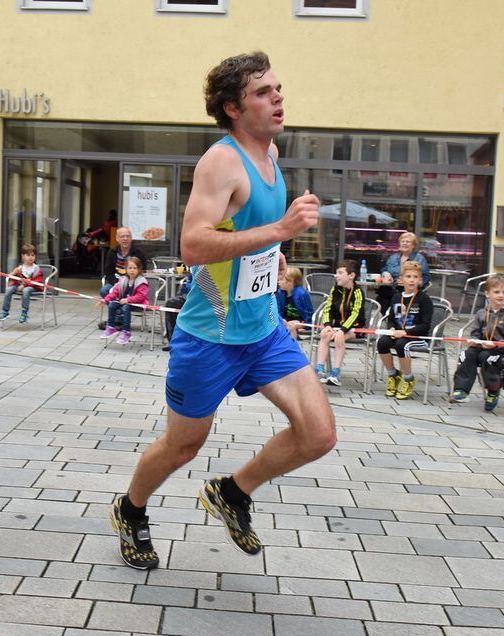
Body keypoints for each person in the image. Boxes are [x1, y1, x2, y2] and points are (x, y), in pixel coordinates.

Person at [109, 51, 336, 570]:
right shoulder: (222, 160)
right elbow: (193, 244)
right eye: (262, 93)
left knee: (318, 433)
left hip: (263, 327)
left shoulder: (271, 154)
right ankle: (130, 509)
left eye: (277, 88)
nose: (277, 98)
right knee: (183, 446)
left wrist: (271, 252)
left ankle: (234, 492)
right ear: (233, 108)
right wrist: (280, 232)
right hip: (210, 335)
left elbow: (242, 232)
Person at [450, 275, 504, 412]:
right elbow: (476, 332)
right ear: (487, 294)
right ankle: (461, 390)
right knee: (467, 354)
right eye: (496, 292)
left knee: (487, 358)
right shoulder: (482, 313)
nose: (501, 295)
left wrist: (496, 344)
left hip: (503, 350)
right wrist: (474, 340)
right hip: (483, 347)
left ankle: (493, 392)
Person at [376, 260, 433, 401]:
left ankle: (408, 379)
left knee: (402, 344)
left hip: (418, 338)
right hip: (398, 334)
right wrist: (392, 328)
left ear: (420, 280)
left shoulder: (424, 299)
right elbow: (390, 318)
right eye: (408, 277)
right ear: (401, 280)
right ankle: (393, 375)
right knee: (382, 342)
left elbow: (425, 325)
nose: (411, 280)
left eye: (415, 277)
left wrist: (406, 333)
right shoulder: (396, 297)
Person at [314, 259, 365, 386]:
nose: (336, 275)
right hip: (337, 326)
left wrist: (342, 330)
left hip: (354, 328)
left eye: (340, 273)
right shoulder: (335, 290)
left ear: (351, 276)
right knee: (325, 335)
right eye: (336, 273)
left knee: (338, 338)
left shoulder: (358, 292)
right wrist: (327, 326)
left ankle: (335, 373)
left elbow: (355, 314)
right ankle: (320, 369)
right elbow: (328, 309)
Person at [98, 227, 148, 329]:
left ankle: (116, 321)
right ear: (117, 238)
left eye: (128, 236)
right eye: (122, 236)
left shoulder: (138, 253)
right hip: (116, 282)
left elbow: (143, 272)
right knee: (104, 290)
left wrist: (128, 283)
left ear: (131, 238)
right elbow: (108, 272)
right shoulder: (112, 252)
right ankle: (119, 320)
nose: (125, 239)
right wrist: (117, 284)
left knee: (123, 293)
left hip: (133, 284)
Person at [97, 256, 149, 345]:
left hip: (138, 303)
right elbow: (115, 292)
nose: (132, 270)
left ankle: (126, 332)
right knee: (112, 304)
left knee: (125, 307)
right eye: (130, 268)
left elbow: (141, 296)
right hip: (125, 301)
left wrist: (128, 300)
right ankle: (111, 327)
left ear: (139, 269)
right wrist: (106, 300)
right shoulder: (123, 280)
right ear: (126, 269)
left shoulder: (142, 282)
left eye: (134, 268)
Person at [376, 231, 430, 314]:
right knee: (381, 298)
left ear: (413, 245)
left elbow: (426, 277)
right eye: (402, 241)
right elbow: (385, 269)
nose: (404, 243)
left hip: (409, 292)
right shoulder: (393, 257)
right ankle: (387, 321)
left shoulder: (419, 258)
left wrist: (409, 282)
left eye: (408, 242)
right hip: (391, 290)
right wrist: (386, 274)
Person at [0, 244, 43, 324]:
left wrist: (24, 285)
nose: (30, 257)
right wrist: (14, 272)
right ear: (23, 256)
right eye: (28, 255)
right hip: (19, 286)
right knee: (8, 289)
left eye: (32, 255)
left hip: (33, 287)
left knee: (26, 290)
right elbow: (11, 278)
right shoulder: (20, 268)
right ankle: (5, 312)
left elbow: (37, 281)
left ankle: (24, 313)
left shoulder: (36, 269)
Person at [276, 266, 313, 339]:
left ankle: (292, 346)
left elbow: (309, 313)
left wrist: (305, 326)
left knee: (291, 326)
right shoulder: (281, 293)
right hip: (287, 320)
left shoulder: (301, 294)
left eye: (281, 279)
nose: (278, 281)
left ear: (290, 281)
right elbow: (278, 311)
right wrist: (281, 320)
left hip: (301, 321)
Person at [162, 276, 191, 352]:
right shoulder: (195, 268)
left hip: (203, 296)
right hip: (190, 294)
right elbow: (188, 283)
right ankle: (173, 342)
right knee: (171, 303)